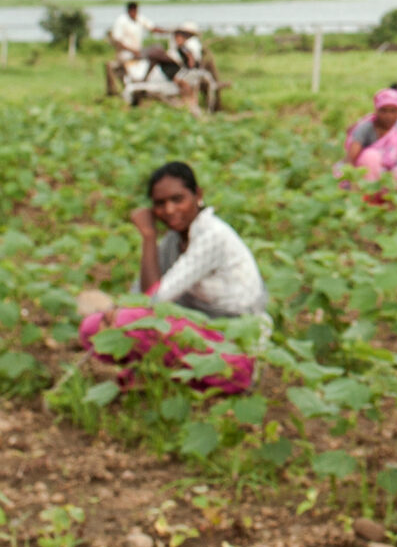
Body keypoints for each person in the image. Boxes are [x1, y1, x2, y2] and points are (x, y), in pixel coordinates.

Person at [78, 161, 267, 394]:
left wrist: (148, 236)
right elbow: (139, 298)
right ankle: (161, 377)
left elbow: (153, 301)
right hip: (197, 337)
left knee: (129, 322)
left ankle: (183, 379)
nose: (169, 210)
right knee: (93, 327)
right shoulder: (173, 242)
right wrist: (112, 314)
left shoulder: (212, 236)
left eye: (178, 199)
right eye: (160, 204)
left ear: (198, 195)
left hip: (233, 350)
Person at [104, 1, 158, 99]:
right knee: (127, 70)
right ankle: (130, 90)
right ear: (129, 11)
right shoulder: (121, 21)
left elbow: (152, 28)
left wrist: (170, 31)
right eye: (133, 11)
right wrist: (132, 50)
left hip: (138, 53)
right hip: (125, 53)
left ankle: (141, 88)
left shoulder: (139, 18)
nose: (134, 13)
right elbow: (117, 41)